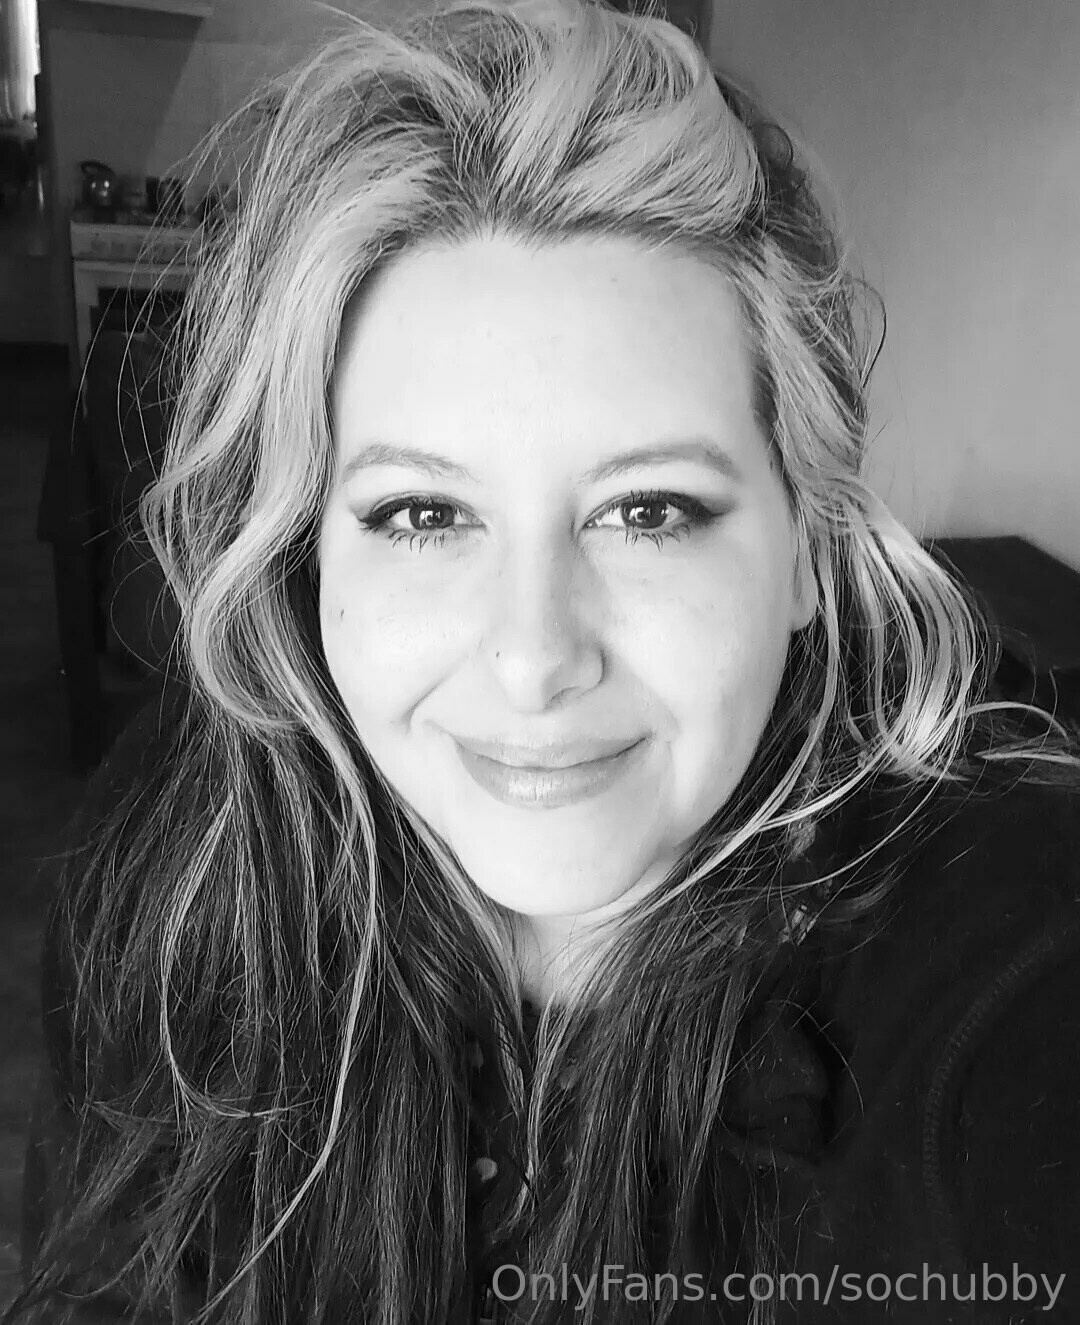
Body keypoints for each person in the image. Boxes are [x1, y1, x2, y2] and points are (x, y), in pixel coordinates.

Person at [11, 1, 1080, 1322]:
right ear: (311, 553)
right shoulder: (177, 868)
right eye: (423, 513)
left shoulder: (1001, 959)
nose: (533, 657)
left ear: (809, 546)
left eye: (649, 510)